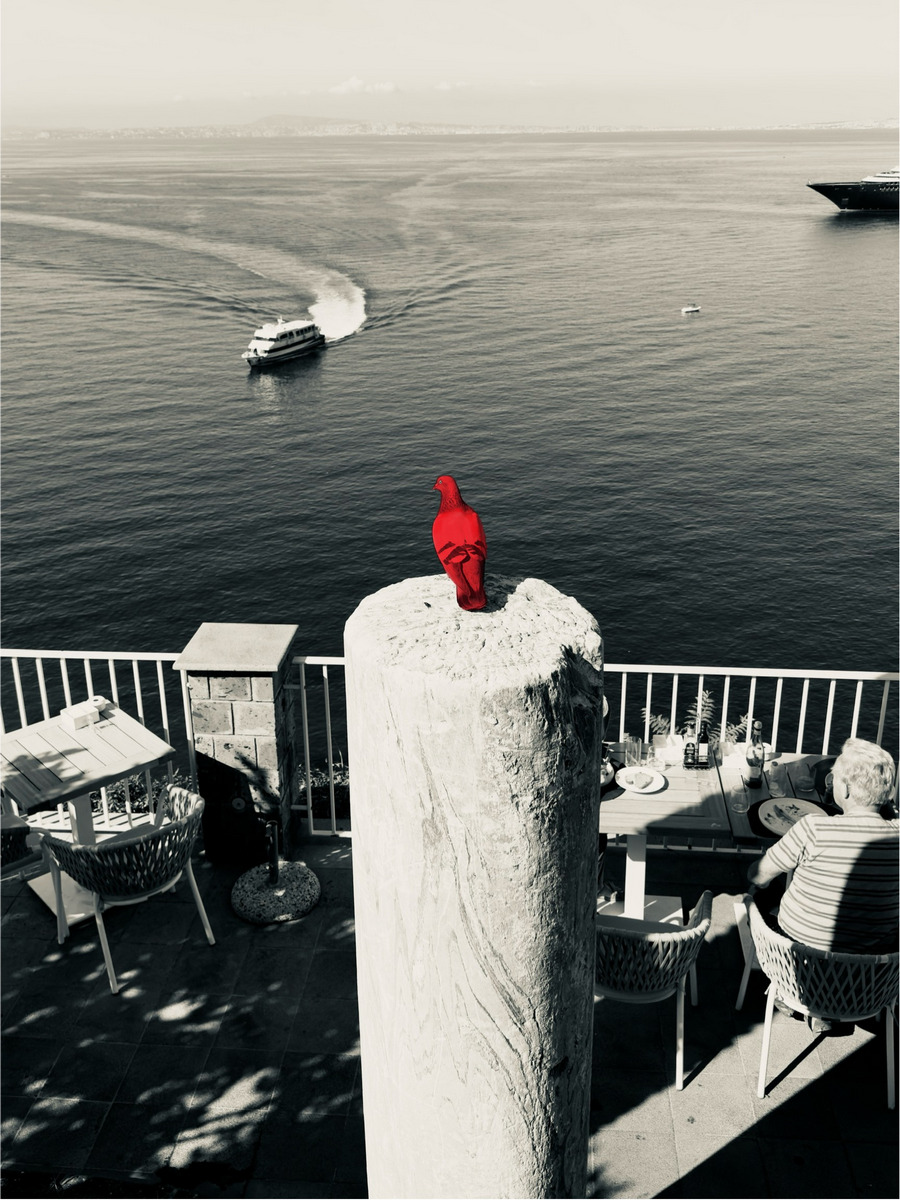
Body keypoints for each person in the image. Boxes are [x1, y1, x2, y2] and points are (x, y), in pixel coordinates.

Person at [747, 737, 898, 956]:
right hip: (872, 968)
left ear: (846, 789)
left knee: (760, 890)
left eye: (833, 777)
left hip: (799, 959)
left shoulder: (814, 828)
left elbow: (757, 876)